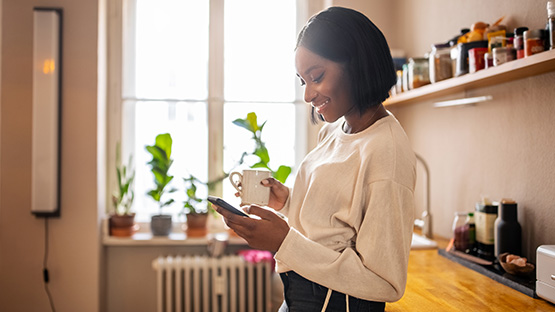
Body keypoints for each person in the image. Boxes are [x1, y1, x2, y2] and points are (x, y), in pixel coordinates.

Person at [213, 6, 416, 312]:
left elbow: (384, 282)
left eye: (317, 76)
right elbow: (334, 224)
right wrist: (287, 201)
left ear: (357, 64)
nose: (308, 95)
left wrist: (284, 242)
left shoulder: (386, 150)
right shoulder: (334, 130)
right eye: (302, 81)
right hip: (299, 296)